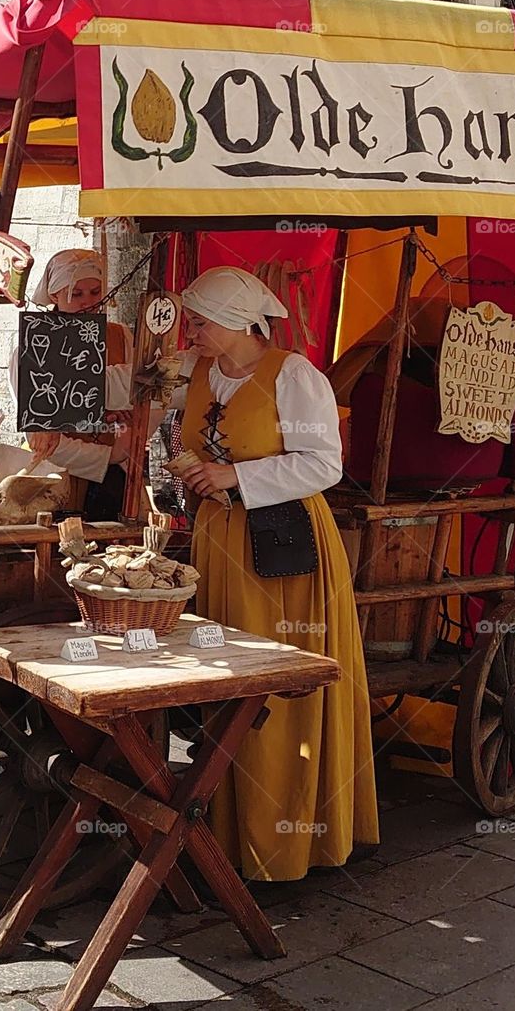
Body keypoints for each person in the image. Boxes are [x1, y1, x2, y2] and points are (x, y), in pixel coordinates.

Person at [168, 266, 378, 882]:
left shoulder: (293, 375)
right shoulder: (201, 373)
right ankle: (223, 832)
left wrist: (236, 478)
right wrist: (192, 467)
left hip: (283, 551)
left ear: (235, 322)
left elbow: (325, 465)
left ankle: (285, 846)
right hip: (219, 541)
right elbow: (175, 421)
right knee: (224, 682)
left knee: (278, 691)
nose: (193, 330)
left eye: (200, 320)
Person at [8, 248, 135, 520]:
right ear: (54, 295)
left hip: (117, 483)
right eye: (76, 294)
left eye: (95, 292)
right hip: (58, 480)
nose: (87, 302)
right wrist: (108, 456)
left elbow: (137, 401)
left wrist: (122, 433)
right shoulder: (31, 349)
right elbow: (41, 437)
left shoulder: (119, 336)